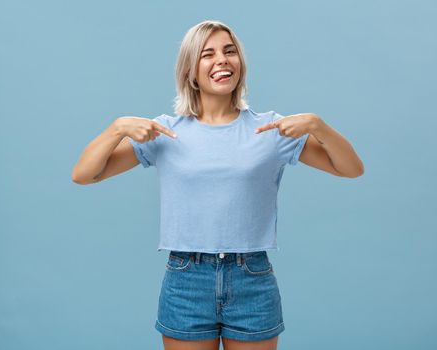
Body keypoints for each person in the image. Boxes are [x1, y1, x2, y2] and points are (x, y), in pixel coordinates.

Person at [72, 19, 364, 350]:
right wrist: (116, 128)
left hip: (251, 277)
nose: (222, 60)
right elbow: (85, 174)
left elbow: (351, 169)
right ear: (189, 72)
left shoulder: (270, 130)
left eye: (229, 51)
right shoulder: (165, 132)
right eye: (207, 54)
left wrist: (318, 125)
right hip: (186, 279)